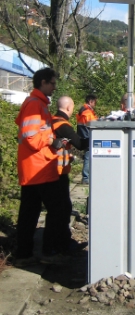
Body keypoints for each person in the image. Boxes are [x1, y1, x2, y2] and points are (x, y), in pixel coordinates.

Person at [15, 67, 64, 266]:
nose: (54, 87)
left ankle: (23, 254)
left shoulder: (36, 103)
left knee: (29, 212)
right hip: (39, 168)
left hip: (33, 167)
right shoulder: (35, 105)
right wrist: (51, 140)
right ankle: (48, 251)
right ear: (43, 82)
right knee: (57, 209)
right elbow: (31, 138)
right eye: (52, 83)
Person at [52, 96, 89, 254]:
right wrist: (99, 138)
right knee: (63, 209)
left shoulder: (52, 120)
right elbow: (79, 144)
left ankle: (63, 244)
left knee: (61, 208)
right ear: (68, 108)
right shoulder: (62, 124)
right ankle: (61, 246)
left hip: (55, 170)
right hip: (57, 172)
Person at [76, 94, 98, 184]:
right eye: (95, 102)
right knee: (88, 157)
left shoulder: (83, 110)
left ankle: (87, 177)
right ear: (90, 101)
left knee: (88, 156)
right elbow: (94, 124)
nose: (95, 104)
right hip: (88, 137)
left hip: (84, 136)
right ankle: (86, 178)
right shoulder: (87, 112)